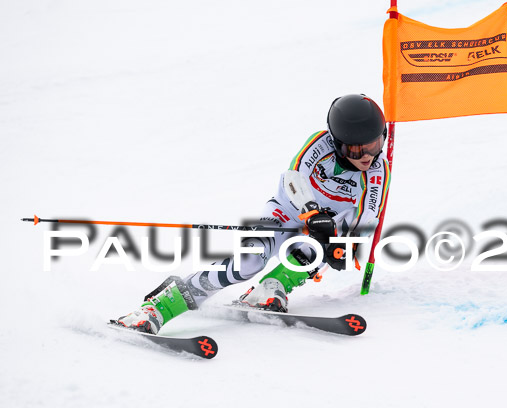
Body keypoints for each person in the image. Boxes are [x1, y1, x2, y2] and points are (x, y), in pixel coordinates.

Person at [115, 94, 391, 334]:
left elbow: (367, 213)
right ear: (337, 143)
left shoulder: (378, 171)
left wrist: (345, 244)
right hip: (286, 213)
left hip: (325, 228)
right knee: (247, 263)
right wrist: (311, 213)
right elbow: (293, 179)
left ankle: (271, 288)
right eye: (356, 149)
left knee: (320, 250)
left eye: (374, 145)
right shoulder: (319, 145)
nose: (367, 156)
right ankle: (157, 309)